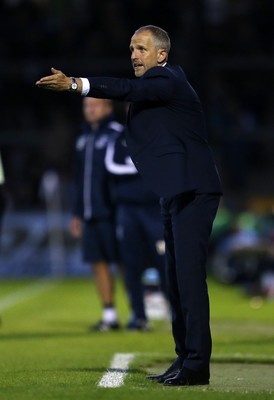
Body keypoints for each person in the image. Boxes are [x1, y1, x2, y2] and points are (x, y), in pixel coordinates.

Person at [36, 24, 222, 386]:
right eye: (131, 48)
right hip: (176, 191)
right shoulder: (158, 85)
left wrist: (76, 84)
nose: (133, 55)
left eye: (140, 48)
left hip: (194, 191)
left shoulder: (168, 80)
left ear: (161, 55)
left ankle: (197, 364)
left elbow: (126, 89)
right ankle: (184, 357)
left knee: (188, 280)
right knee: (175, 280)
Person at [105, 126, 168, 331]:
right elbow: (111, 165)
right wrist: (142, 165)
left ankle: (177, 310)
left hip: (154, 208)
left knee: (165, 261)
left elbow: (167, 164)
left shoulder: (159, 134)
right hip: (128, 208)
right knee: (130, 264)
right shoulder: (120, 137)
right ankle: (138, 316)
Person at [69, 97, 121, 332]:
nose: (90, 110)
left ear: (108, 108)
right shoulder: (83, 138)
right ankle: (109, 314)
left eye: (95, 105)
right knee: (97, 263)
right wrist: (77, 213)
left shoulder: (116, 134)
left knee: (126, 262)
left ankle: (142, 309)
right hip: (90, 214)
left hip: (114, 212)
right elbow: (79, 181)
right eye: (86, 106)